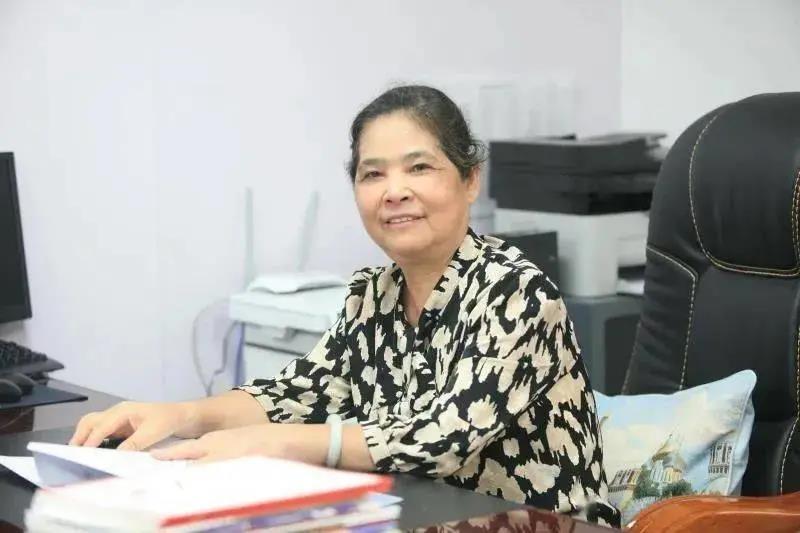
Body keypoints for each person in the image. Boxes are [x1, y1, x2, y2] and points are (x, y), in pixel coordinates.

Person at [70, 85, 619, 526]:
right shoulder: (372, 296)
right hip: (417, 517)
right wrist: (179, 415)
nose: (393, 190)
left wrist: (279, 444)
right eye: (372, 173)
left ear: (470, 179)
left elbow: (440, 439)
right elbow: (296, 395)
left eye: (419, 167)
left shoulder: (516, 292)